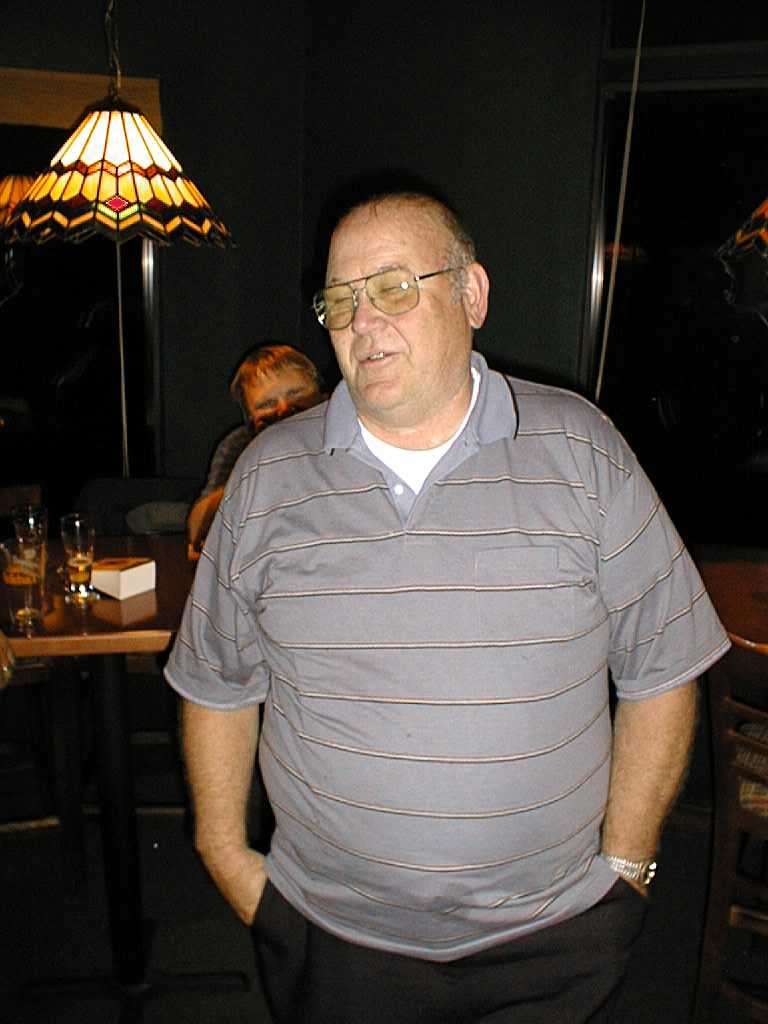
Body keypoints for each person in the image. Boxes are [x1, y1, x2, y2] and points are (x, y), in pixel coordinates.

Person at [165, 189, 730, 1023]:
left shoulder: (581, 449)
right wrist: (224, 853)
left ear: (472, 294)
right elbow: (217, 682)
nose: (363, 321)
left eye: (393, 287)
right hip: (332, 938)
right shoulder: (267, 477)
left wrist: (627, 866)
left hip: (554, 937)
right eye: (339, 299)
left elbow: (664, 667)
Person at [186, 344, 325, 555]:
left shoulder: (344, 434)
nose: (284, 409)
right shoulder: (240, 444)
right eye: (267, 404)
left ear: (323, 397)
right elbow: (198, 527)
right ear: (250, 419)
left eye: (295, 394)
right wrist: (255, 473)